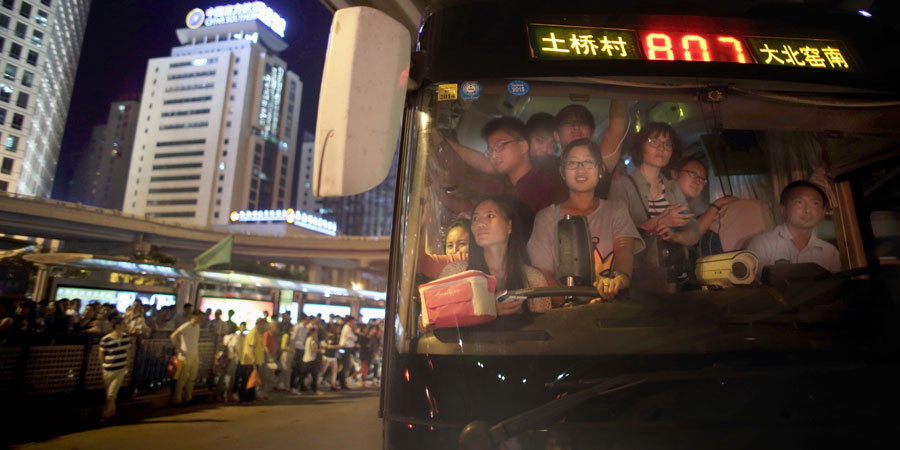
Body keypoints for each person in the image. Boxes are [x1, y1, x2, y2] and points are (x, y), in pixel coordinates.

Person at [528, 138, 644, 301]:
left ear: (601, 170)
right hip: (569, 315)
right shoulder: (546, 218)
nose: (580, 169)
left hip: (613, 308)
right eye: (572, 163)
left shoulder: (616, 209)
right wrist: (571, 304)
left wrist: (617, 280)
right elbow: (542, 274)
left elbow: (625, 249)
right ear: (562, 172)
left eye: (588, 162)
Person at [609, 122, 700, 292]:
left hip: (674, 278)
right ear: (640, 146)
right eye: (654, 141)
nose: (661, 148)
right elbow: (616, 233)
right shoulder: (621, 186)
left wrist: (677, 237)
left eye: (667, 144)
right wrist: (660, 221)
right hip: (639, 280)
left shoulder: (673, 188)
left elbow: (694, 230)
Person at [441, 196, 551, 315]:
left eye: (490, 216)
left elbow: (544, 325)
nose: (480, 223)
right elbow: (433, 319)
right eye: (476, 218)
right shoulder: (456, 273)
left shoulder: (533, 279)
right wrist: (487, 310)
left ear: (509, 226)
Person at [747, 181, 841, 275]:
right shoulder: (763, 244)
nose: (807, 210)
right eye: (799, 202)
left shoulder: (830, 252)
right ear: (783, 210)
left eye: (815, 203)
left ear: (823, 212)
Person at [99, 315, 131, 420]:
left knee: (111, 393)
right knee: (109, 393)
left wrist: (127, 365)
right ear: (117, 325)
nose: (125, 325)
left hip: (120, 368)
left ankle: (106, 414)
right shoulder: (106, 339)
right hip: (108, 369)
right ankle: (112, 411)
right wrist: (103, 366)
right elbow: (101, 355)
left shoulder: (126, 337)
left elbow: (128, 352)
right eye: (123, 324)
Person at [169, 310, 204, 404]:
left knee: (192, 377)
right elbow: (173, 336)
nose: (202, 319)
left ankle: (188, 398)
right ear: (194, 316)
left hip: (194, 354)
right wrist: (179, 349)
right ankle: (178, 399)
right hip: (186, 355)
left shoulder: (197, 327)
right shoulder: (186, 326)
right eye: (200, 317)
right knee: (183, 378)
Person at [237, 318, 267, 402]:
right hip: (250, 361)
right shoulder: (253, 333)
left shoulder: (257, 333)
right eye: (263, 324)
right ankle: (244, 397)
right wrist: (253, 359)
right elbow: (250, 347)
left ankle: (250, 396)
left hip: (254, 360)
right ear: (260, 324)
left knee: (252, 379)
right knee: (247, 379)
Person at [217, 322, 246, 402]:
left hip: (224, 360)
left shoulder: (226, 337)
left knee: (222, 377)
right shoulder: (235, 337)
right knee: (230, 378)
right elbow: (236, 348)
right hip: (232, 359)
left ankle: (219, 395)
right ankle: (227, 395)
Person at [298, 326, 322, 394]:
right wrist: (320, 350)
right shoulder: (311, 340)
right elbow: (313, 349)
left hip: (306, 359)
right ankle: (314, 389)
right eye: (316, 332)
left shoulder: (308, 339)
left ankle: (300, 388)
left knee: (303, 375)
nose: (316, 333)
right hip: (310, 360)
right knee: (314, 375)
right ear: (313, 333)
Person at [337, 316, 357, 390]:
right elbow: (354, 338)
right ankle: (341, 382)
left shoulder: (347, 328)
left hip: (346, 349)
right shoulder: (347, 329)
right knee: (345, 366)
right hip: (345, 349)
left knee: (345, 366)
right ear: (349, 321)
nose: (354, 323)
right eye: (353, 321)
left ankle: (341, 381)